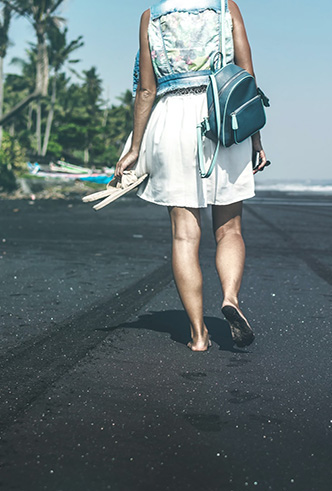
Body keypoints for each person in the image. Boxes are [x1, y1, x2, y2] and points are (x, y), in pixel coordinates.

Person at [115, 0, 269, 351]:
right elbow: (246, 73)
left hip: (171, 120)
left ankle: (198, 335)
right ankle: (230, 297)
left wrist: (135, 147)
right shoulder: (225, 7)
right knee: (229, 229)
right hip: (222, 117)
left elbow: (146, 90)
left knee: (185, 237)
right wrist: (256, 134)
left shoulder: (150, 18)